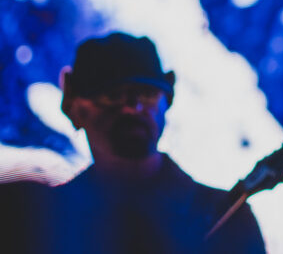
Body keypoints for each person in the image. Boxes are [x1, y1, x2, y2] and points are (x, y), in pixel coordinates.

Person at [32, 32, 266, 253]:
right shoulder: (45, 220)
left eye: (146, 93)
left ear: (168, 100)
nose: (133, 107)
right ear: (75, 107)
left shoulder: (230, 219)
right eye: (112, 95)